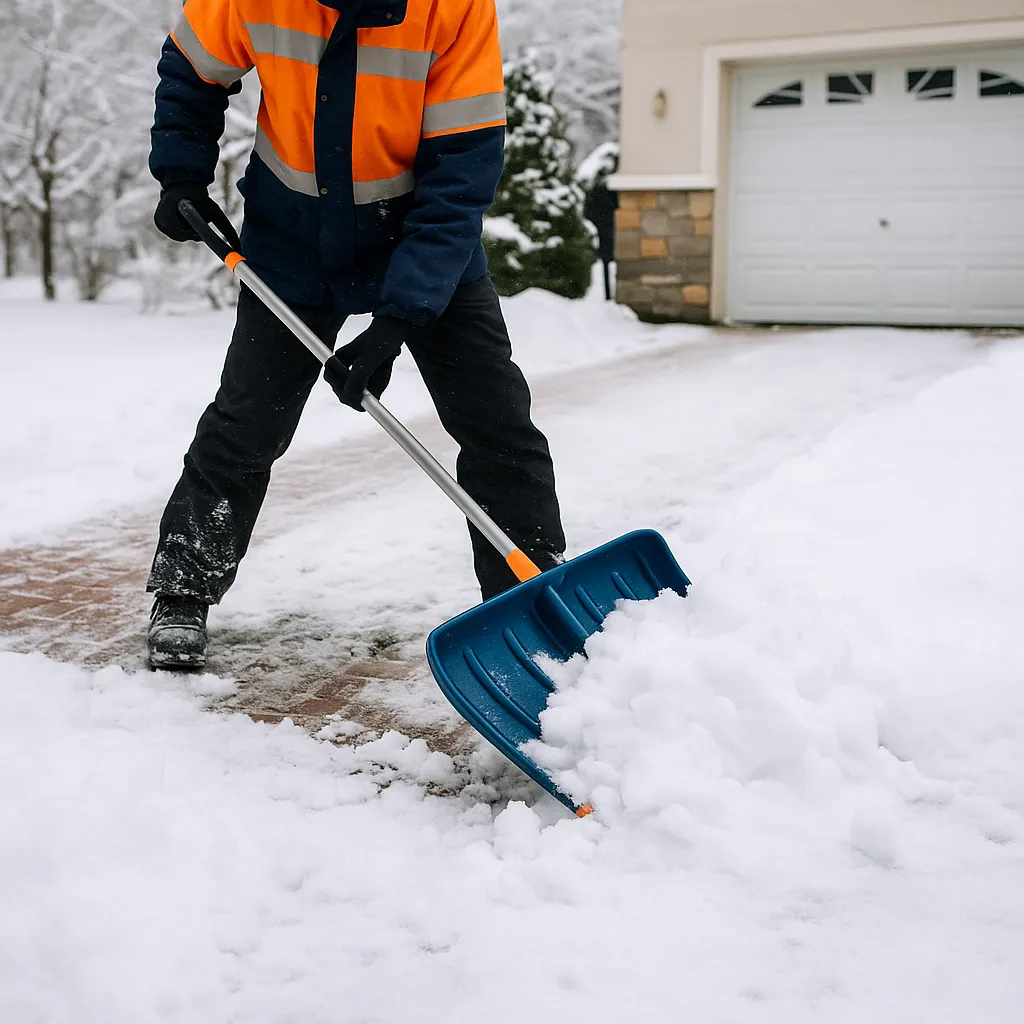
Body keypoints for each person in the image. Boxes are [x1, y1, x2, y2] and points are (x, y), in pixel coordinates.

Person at [146, 0, 565, 668]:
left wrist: (400, 317)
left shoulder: (453, 8)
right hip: (294, 235)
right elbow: (194, 68)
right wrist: (181, 174)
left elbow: (463, 171)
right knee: (247, 420)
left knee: (496, 421)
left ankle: (530, 595)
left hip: (423, 235)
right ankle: (183, 585)